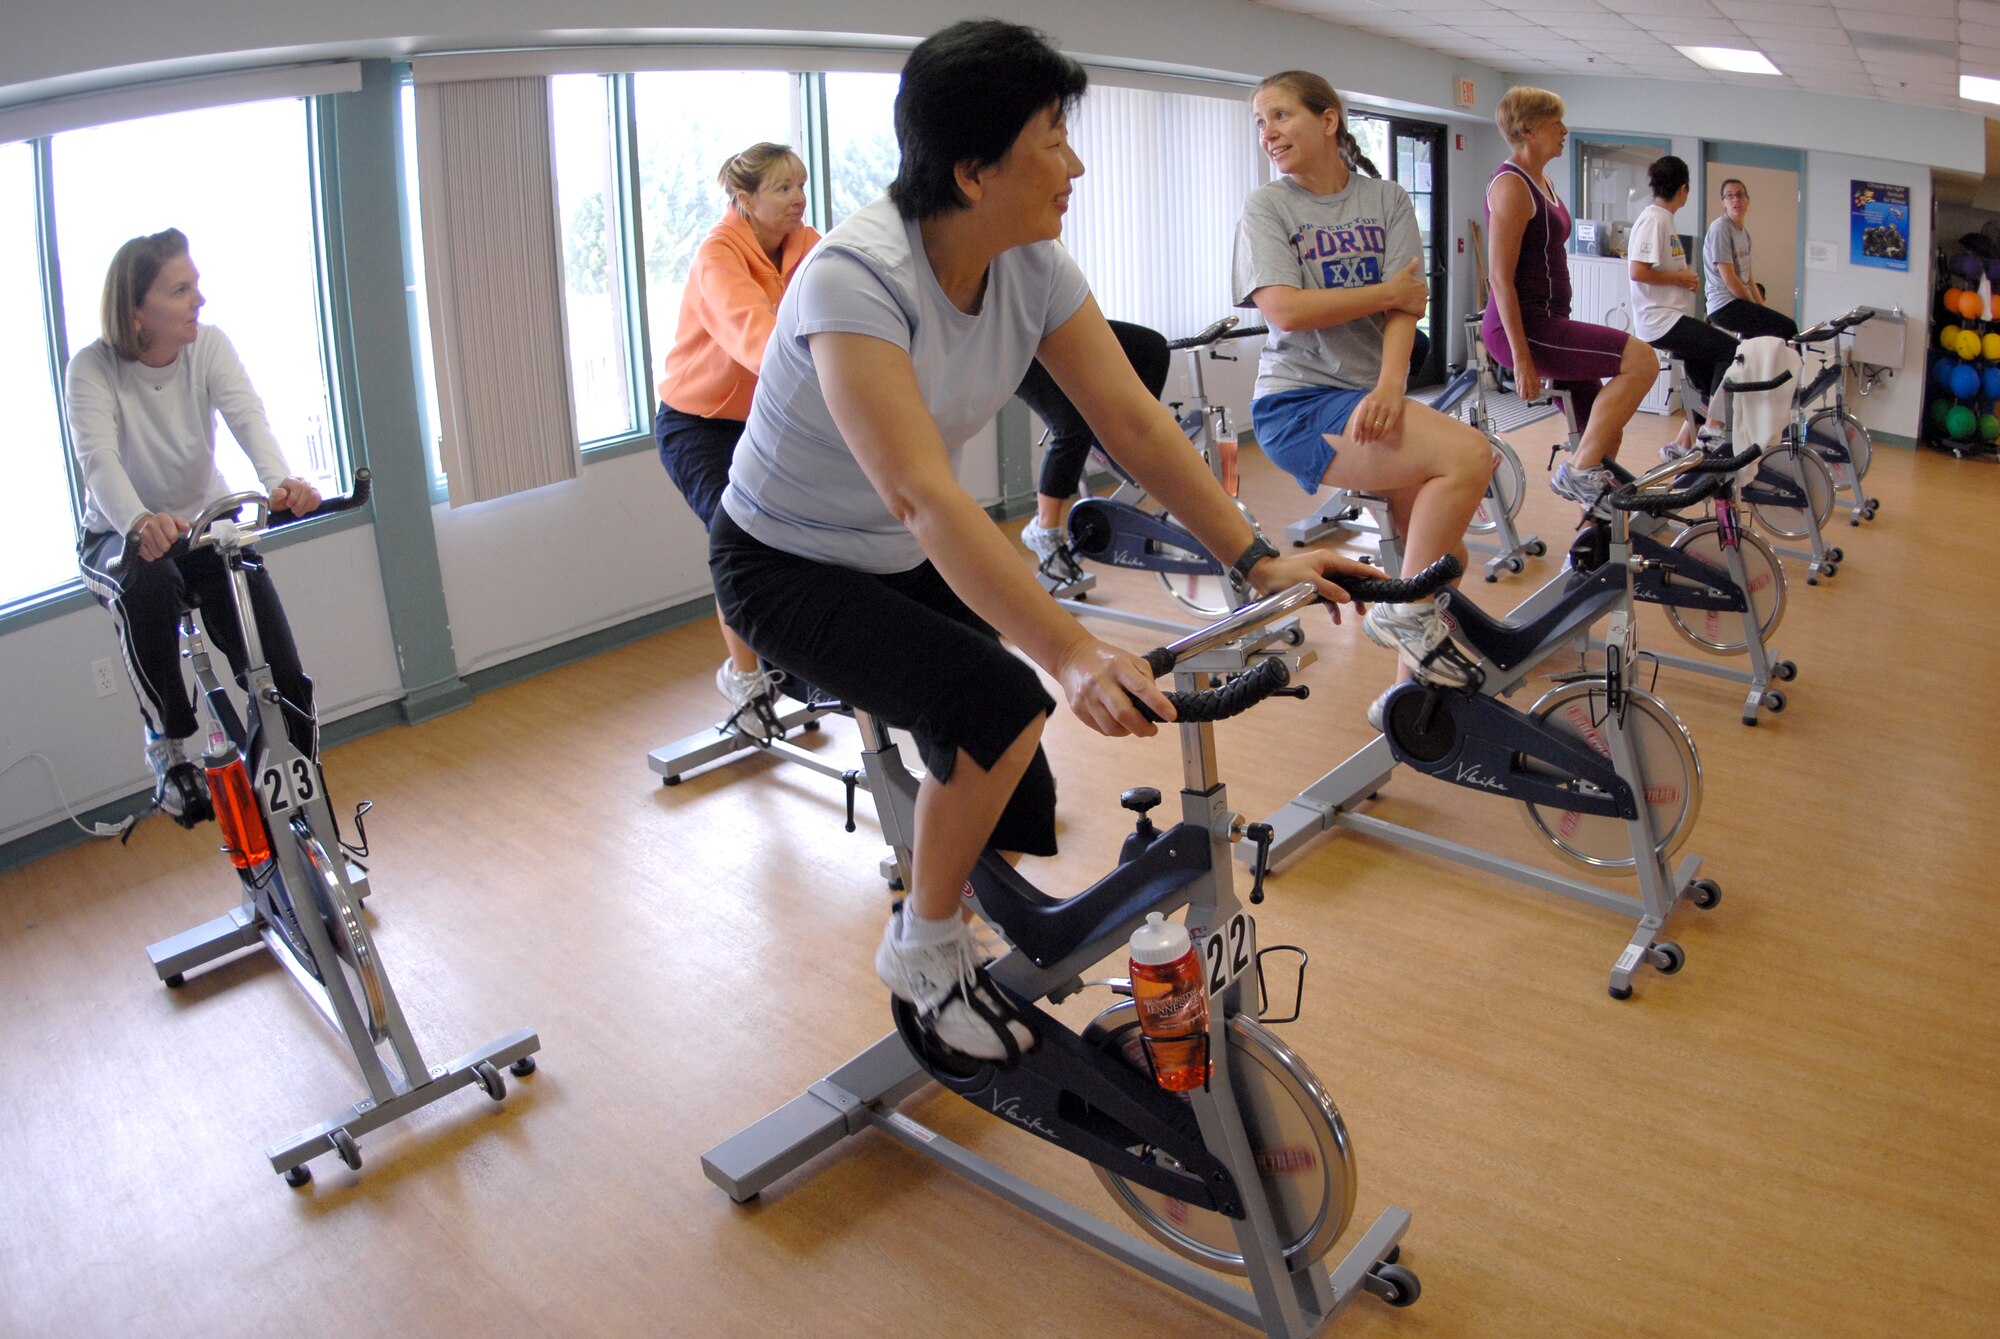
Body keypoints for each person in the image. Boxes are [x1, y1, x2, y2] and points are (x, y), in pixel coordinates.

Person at [709, 21, 1373, 1061]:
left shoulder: (1030, 263)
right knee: (997, 701)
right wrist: (1064, 652)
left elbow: (1132, 423)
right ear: (973, 171)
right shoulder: (852, 280)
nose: (1073, 162)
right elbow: (924, 498)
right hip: (782, 563)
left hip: (892, 549)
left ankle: (962, 899)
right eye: (1051, 138)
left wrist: (1253, 556)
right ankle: (922, 947)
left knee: (1022, 785)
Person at [1234, 70, 1493, 726]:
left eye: (1281, 116)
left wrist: (1390, 384)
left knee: (1440, 560)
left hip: (1367, 394)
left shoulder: (1385, 200)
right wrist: (1383, 295)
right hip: (1296, 404)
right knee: (1470, 456)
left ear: (1329, 120)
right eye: (1260, 122)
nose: (1268, 133)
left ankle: (1403, 703)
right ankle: (1401, 618)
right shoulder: (1268, 207)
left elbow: (1412, 306)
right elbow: (1287, 309)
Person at [68, 228, 322, 823]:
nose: (198, 302)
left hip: (202, 525)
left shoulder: (209, 348)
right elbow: (98, 460)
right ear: (136, 311)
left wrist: (280, 481)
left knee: (277, 668)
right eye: (181, 290)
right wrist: (137, 522)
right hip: (117, 533)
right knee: (150, 583)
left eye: (196, 286)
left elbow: (247, 416)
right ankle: (170, 743)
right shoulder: (93, 369)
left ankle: (293, 778)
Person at [654, 142, 820, 713]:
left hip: (765, 416)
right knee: (737, 536)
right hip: (696, 424)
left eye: (801, 184)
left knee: (797, 536)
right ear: (743, 199)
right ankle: (746, 680)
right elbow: (754, 335)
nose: (798, 198)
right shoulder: (718, 255)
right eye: (782, 188)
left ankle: (786, 659)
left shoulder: (809, 246)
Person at [1481, 87, 1658, 515]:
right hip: (1524, 327)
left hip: (1550, 320)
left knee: (1600, 425)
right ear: (1527, 129)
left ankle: (1595, 516)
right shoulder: (1511, 187)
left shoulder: (1544, 182)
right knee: (1643, 361)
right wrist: (1522, 361)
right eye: (1554, 123)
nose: (1564, 130)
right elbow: (1500, 280)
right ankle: (1577, 474)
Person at [1014, 320, 1170, 574]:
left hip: (1054, 322)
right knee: (1073, 426)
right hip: (1016, 343)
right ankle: (1043, 528)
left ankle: (1127, 433)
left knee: (1151, 346)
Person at [1628, 154, 1738, 457]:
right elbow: (1638, 271)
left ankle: (1680, 445)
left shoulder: (1664, 219)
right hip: (1660, 321)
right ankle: (1713, 429)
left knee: (1706, 384)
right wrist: (1679, 278)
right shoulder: (1654, 219)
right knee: (1730, 351)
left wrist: (1682, 279)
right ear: (1684, 189)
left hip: (1671, 317)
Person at [1703, 178, 1798, 342]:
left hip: (1737, 303)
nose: (1736, 200)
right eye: (1730, 196)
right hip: (1724, 304)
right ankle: (1795, 368)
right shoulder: (1721, 228)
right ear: (1723, 202)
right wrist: (1753, 306)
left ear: (1747, 200)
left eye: (1740, 195)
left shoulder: (1744, 233)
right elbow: (1729, 278)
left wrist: (1761, 308)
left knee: (1762, 341)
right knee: (1788, 327)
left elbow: (1749, 278)